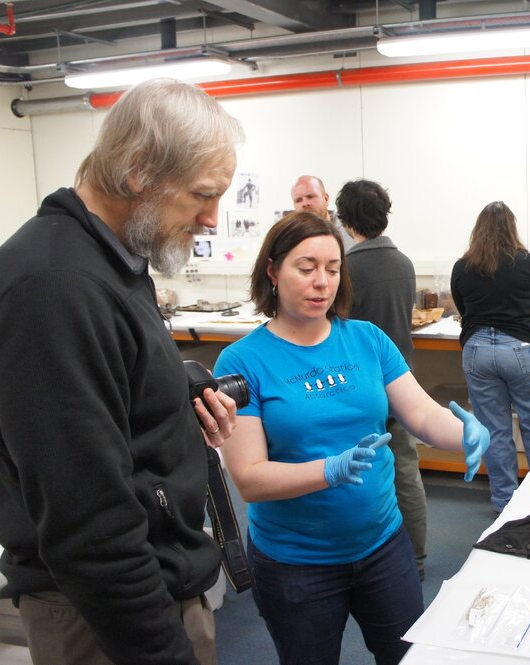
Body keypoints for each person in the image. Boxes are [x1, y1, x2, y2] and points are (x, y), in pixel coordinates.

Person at [0, 78, 243, 665]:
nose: (211, 218)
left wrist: (172, 400)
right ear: (139, 171)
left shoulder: (110, 261)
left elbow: (104, 400)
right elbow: (88, 522)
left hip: (151, 585)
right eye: (203, 195)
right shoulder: (55, 290)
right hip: (108, 616)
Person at [212, 211, 489, 665]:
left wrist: (467, 432)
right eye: (306, 268)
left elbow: (421, 413)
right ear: (273, 271)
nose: (322, 282)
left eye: (333, 268)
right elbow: (250, 478)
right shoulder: (241, 362)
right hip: (297, 563)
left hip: (383, 546)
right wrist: (329, 470)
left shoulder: (366, 339)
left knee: (406, 657)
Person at [335, 179, 429, 580]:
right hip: (399, 382)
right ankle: (417, 559)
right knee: (405, 471)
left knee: (353, 472)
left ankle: (361, 559)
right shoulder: (403, 263)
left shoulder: (347, 269)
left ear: (345, 220)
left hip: (358, 387)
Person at [450, 201, 530, 513]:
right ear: (512, 227)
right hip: (522, 349)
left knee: (493, 430)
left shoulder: (463, 267)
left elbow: (463, 308)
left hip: (478, 351)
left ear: (478, 229)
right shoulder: (527, 262)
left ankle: (504, 503)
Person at [290, 174, 354, 251]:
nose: (305, 203)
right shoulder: (289, 236)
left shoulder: (350, 229)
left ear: (326, 199)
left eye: (310, 197)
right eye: (298, 200)